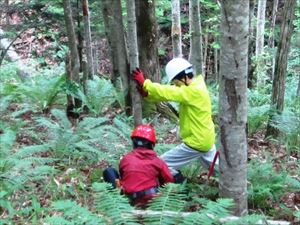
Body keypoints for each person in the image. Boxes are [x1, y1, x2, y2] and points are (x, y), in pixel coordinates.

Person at [132, 57, 219, 178]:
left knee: (161, 164)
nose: (175, 85)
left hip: (197, 142)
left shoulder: (193, 91)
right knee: (220, 171)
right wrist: (148, 94)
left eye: (175, 82)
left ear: (183, 77)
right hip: (207, 139)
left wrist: (146, 84)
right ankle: (238, 186)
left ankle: (177, 185)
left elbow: (169, 92)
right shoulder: (195, 87)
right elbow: (170, 93)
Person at [103, 124, 174, 208]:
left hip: (129, 200)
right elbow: (169, 181)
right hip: (152, 201)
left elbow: (124, 178)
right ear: (152, 145)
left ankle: (115, 204)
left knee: (109, 171)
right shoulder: (157, 161)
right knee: (176, 175)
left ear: (134, 143)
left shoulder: (125, 159)